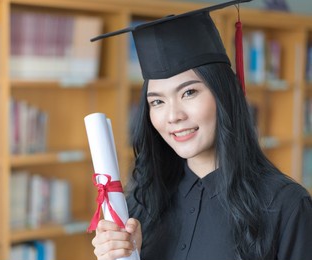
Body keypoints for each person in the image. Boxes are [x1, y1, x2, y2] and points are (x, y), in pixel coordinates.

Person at [89, 0, 312, 259]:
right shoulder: (141, 204)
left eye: (189, 92)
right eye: (157, 101)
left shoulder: (286, 206)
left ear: (223, 95)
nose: (173, 116)